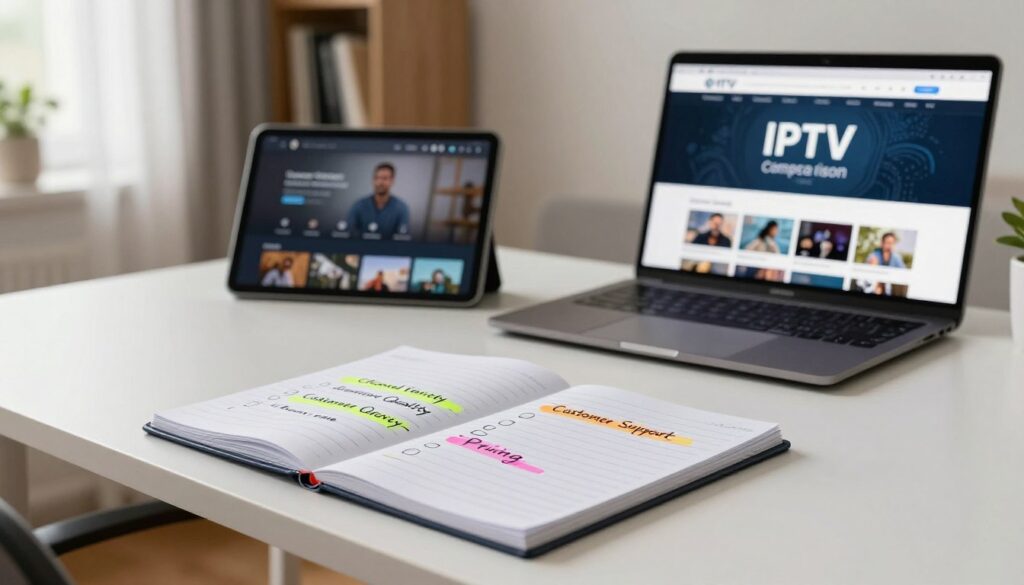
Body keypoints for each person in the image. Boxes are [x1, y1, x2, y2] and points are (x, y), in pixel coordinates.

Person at [346, 163, 411, 239]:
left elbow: (402, 237)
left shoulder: (402, 208)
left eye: (384, 178)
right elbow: (349, 233)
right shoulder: (358, 205)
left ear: (392, 181)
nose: (380, 182)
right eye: (377, 178)